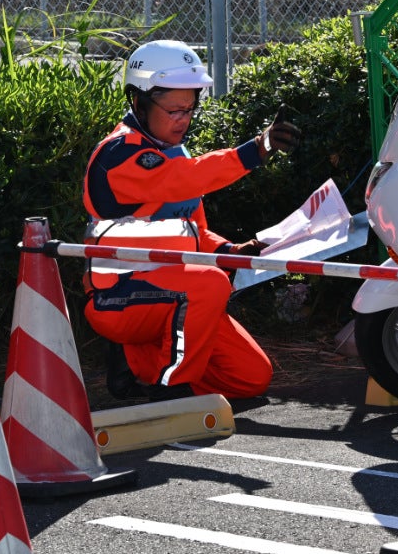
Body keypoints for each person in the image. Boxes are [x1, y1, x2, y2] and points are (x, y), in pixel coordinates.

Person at [81, 40, 300, 401]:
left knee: (252, 377)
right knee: (209, 284)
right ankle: (170, 390)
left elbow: (187, 231)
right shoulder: (119, 154)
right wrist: (256, 150)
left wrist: (229, 249)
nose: (183, 119)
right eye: (174, 110)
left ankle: (143, 364)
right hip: (118, 299)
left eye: (190, 108)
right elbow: (186, 178)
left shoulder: (173, 152)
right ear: (138, 101)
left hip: (169, 294)